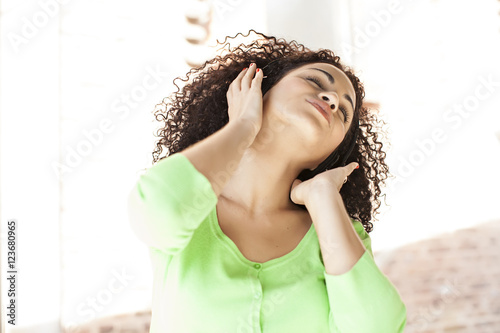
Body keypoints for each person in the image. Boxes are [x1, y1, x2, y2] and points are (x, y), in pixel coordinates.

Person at [127, 30, 407, 332]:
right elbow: (156, 209)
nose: (333, 100)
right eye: (315, 81)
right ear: (260, 89)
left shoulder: (334, 230)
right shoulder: (191, 209)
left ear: (329, 155)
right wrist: (243, 126)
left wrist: (323, 196)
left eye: (344, 111)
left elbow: (377, 327)